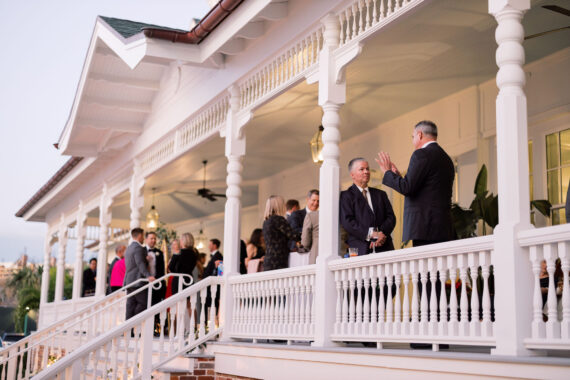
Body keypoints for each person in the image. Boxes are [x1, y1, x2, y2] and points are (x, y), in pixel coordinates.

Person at [377, 120, 455, 247]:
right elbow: (425, 188)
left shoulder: (421, 154)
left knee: (426, 267)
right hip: (444, 228)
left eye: (412, 137)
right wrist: (398, 176)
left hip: (425, 228)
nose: (413, 140)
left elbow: (407, 188)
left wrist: (387, 173)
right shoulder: (446, 159)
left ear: (419, 135)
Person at [340, 158, 396, 255]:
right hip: (358, 249)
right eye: (362, 169)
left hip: (384, 246)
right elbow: (348, 222)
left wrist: (380, 234)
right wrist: (370, 234)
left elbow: (391, 218)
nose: (366, 172)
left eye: (367, 169)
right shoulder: (345, 196)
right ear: (352, 175)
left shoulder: (381, 194)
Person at [263, 195, 300, 271]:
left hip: (268, 260)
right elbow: (294, 236)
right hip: (278, 260)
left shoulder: (266, 221)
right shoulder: (278, 219)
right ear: (279, 205)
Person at [124, 228, 155, 319]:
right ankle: (133, 321)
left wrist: (145, 259)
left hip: (129, 281)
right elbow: (140, 264)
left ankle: (128, 331)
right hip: (137, 281)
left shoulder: (129, 248)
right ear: (140, 236)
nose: (143, 239)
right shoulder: (138, 248)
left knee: (130, 305)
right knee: (144, 303)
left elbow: (135, 263)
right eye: (143, 236)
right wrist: (148, 276)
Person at [145, 231, 165, 306]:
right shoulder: (141, 251)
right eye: (151, 238)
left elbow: (162, 269)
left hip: (157, 282)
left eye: (155, 239)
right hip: (145, 282)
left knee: (156, 304)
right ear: (146, 239)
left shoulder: (159, 252)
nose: (153, 240)